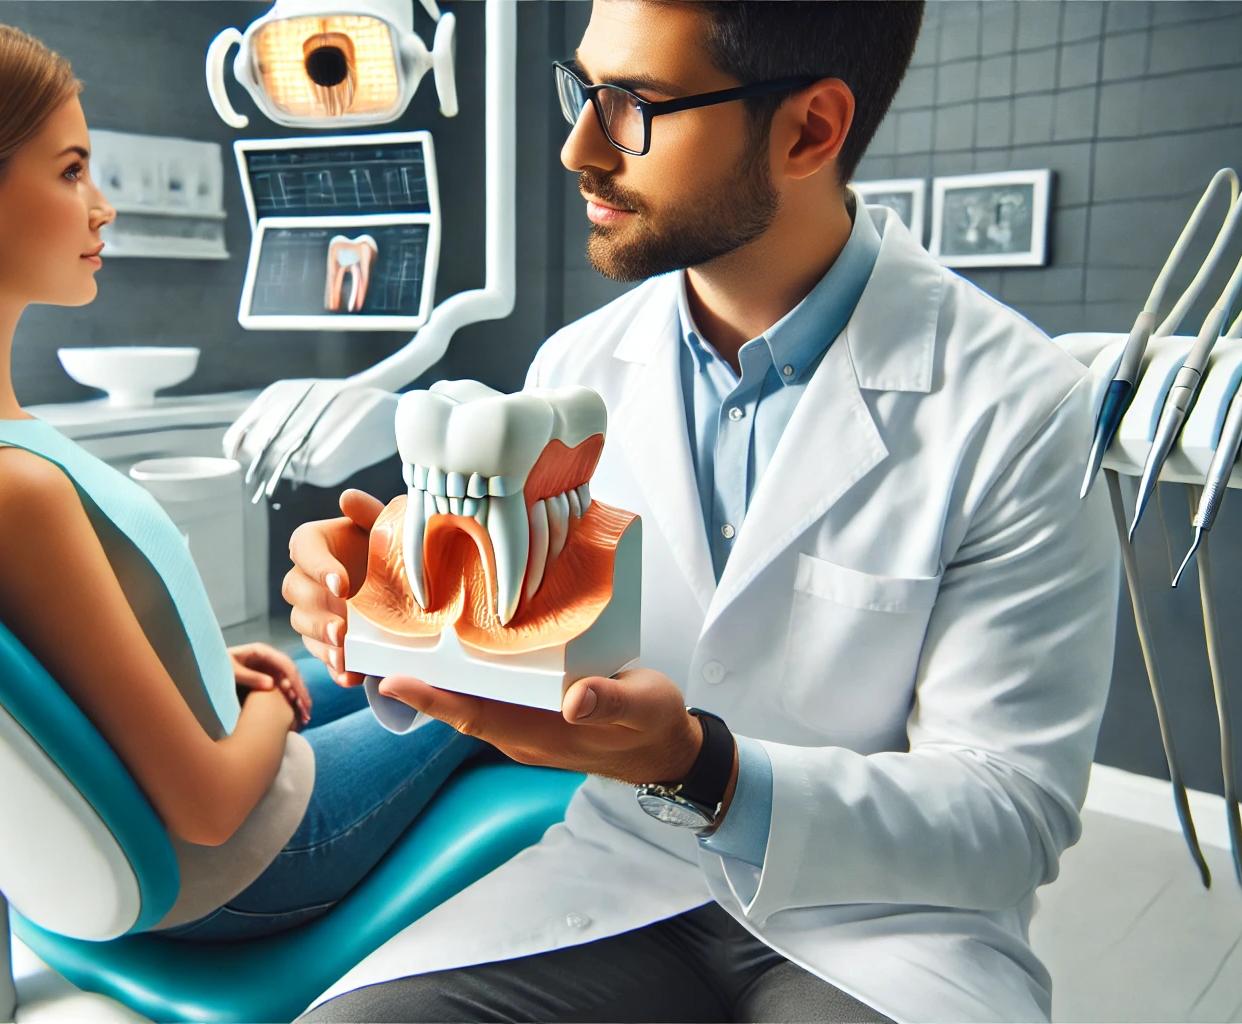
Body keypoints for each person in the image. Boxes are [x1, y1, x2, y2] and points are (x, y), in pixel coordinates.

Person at [282, 1, 1120, 1020]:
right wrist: (395, 602)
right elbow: (530, 650)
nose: (578, 147)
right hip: (618, 877)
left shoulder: (1018, 405)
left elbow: (1010, 814)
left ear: (809, 129)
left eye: (633, 104)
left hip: (885, 922)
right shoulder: (576, 369)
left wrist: (703, 767)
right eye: (583, 90)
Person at [0, 5, 483, 941]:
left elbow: (44, 671)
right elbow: (208, 808)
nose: (102, 206)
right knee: (489, 674)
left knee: (385, 657)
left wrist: (204, 672)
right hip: (250, 859)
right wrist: (272, 711)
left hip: (171, 802)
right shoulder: (3, 484)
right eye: (72, 171)